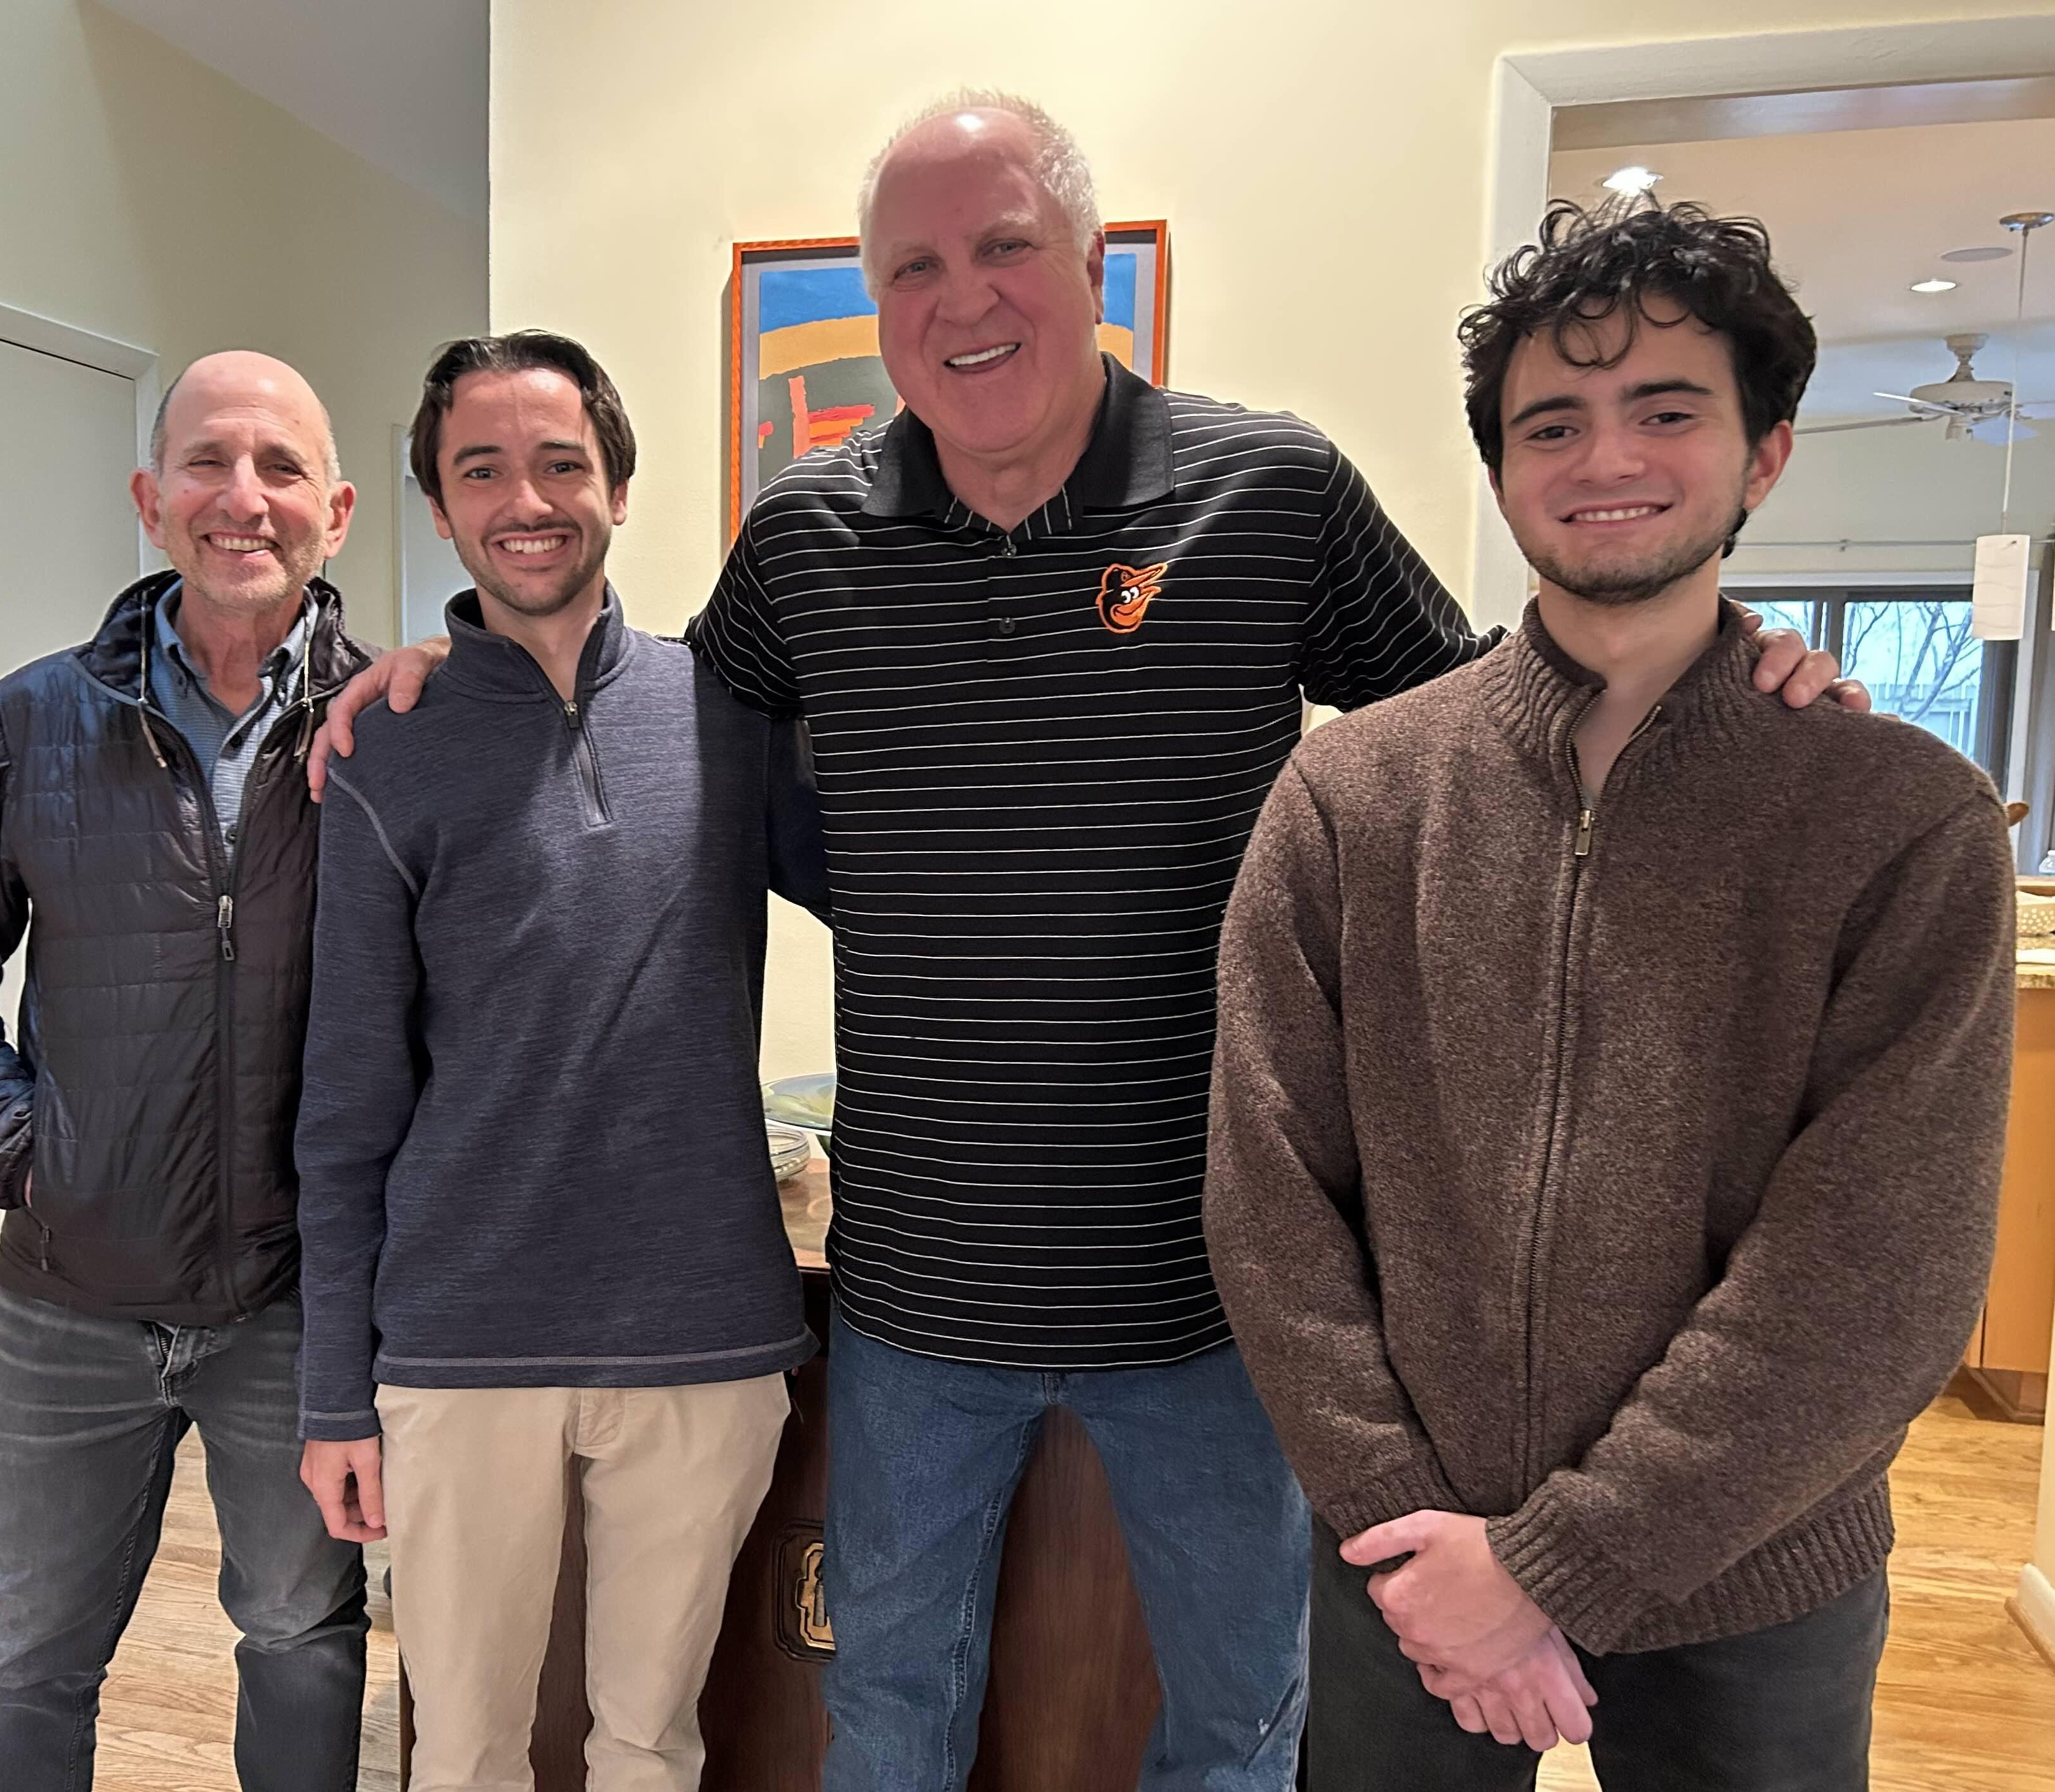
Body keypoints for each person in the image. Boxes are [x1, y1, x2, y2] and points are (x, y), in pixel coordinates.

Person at [310, 97, 1859, 1789]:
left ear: (1090, 264)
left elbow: (1491, 727)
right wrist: (449, 664)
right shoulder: (808, 541)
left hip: (1214, 1287)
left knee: (1231, 1723)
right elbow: (641, 729)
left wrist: (1712, 668)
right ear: (876, 303)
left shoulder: (1268, 491)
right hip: (909, 1295)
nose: (961, 298)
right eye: (912, 266)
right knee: (885, 1710)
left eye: (1002, 247)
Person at [1204, 197, 2016, 1792]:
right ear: (1500, 468)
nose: (1602, 458)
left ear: (1761, 453)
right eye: (1551, 423)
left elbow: (1878, 1267)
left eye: (1665, 410)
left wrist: (1559, 1565)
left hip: (1751, 1568)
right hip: (1409, 1556)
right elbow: (1269, 1192)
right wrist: (1414, 1541)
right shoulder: (1353, 796)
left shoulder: (1894, 818)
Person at [294, 331, 827, 1792]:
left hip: (704, 1335)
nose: (525, 498)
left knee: (653, 1745)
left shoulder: (731, 708)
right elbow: (344, 1105)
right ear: (441, 506)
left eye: (559, 464)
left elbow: (898, 883)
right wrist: (338, 1393)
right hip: (462, 1350)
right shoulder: (384, 751)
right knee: (461, 1755)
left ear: (618, 487)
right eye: (482, 470)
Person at [0, 351, 374, 1791]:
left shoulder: (394, 728)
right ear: (152, 501)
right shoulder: (30, 723)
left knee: (301, 1632)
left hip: (293, 1304)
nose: (243, 499)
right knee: (27, 1650)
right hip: (66, 1304)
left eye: (280, 469)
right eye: (207, 462)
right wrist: (30, 1158)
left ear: (334, 508)